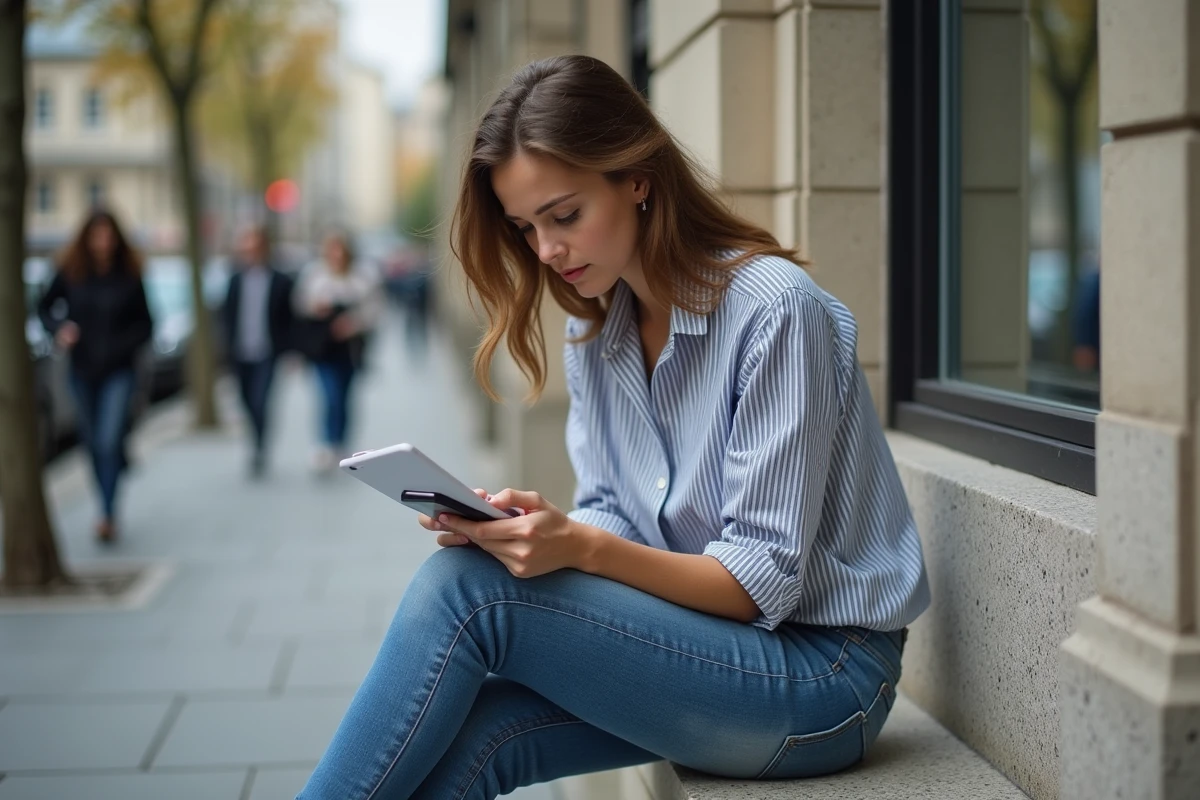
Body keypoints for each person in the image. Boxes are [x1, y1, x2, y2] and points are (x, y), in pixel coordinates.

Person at [299, 56, 930, 799]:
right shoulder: (596, 334)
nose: (546, 252)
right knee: (478, 733)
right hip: (714, 648)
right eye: (525, 226)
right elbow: (616, 514)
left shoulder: (774, 311)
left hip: (824, 677)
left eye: (564, 216)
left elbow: (758, 584)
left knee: (466, 594)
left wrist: (582, 547)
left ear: (637, 177)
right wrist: (535, 529)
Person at [37, 209, 152, 543]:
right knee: (91, 442)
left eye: (108, 235)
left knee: (107, 438)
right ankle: (110, 486)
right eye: (96, 235)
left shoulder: (129, 274)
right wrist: (60, 329)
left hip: (119, 370)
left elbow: (146, 323)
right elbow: (44, 308)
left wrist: (122, 345)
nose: (103, 242)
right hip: (82, 370)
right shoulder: (71, 272)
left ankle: (107, 511)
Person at [293, 230, 383, 473]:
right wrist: (317, 309)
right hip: (322, 349)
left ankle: (341, 442)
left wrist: (353, 324)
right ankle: (325, 443)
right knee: (328, 395)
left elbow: (374, 312)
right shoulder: (314, 276)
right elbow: (300, 306)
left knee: (344, 398)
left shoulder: (363, 277)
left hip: (350, 349)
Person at [221, 225, 295, 477]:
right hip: (240, 352)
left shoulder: (281, 280)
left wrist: (291, 352)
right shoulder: (234, 280)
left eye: (254, 248)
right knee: (245, 401)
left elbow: (288, 319)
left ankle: (259, 446)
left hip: (267, 352)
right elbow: (226, 315)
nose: (249, 253)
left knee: (260, 400)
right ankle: (256, 437)